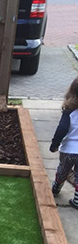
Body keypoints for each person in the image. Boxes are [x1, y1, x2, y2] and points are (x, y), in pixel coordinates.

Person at [50, 76, 78, 208]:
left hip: (69, 150)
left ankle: (56, 188)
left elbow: (61, 129)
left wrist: (54, 145)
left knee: (63, 170)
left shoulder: (69, 112)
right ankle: (77, 200)